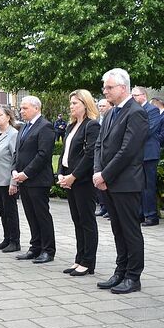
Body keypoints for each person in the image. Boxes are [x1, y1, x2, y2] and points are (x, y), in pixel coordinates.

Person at [94, 68, 148, 294]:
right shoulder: (110, 113)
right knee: (117, 229)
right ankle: (120, 271)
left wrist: (105, 175)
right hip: (107, 181)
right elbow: (100, 145)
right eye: (105, 87)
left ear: (123, 88)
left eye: (109, 87)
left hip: (125, 182)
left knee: (129, 230)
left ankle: (133, 277)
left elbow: (128, 151)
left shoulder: (135, 113)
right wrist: (98, 172)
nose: (105, 91)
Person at [57, 90, 101, 277]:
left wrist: (74, 176)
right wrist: (60, 173)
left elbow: (90, 154)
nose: (71, 106)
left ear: (85, 104)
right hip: (69, 177)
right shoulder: (71, 126)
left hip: (82, 180)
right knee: (77, 220)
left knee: (86, 220)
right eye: (71, 103)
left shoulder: (91, 126)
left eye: (75, 103)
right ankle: (79, 258)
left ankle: (88, 262)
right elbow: (64, 153)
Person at [12, 96, 56, 264]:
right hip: (23, 179)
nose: (21, 111)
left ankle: (48, 250)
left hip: (38, 180)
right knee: (31, 215)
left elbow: (43, 155)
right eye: (21, 108)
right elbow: (18, 151)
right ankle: (35, 247)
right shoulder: (24, 127)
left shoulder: (45, 126)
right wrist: (15, 169)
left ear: (36, 108)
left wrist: (26, 173)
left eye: (25, 108)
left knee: (41, 215)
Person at [0, 106, 21, 252]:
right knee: (2, 211)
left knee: (10, 211)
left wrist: (14, 182)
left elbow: (16, 158)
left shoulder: (13, 134)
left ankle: (15, 240)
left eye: (0, 115)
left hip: (7, 180)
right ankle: (6, 238)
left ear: (8, 117)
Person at [131, 87, 162, 226]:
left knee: (149, 185)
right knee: (139, 185)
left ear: (143, 95)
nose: (133, 98)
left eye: (135, 95)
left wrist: (130, 135)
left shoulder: (152, 110)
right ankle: (141, 213)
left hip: (149, 153)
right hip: (138, 154)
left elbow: (149, 130)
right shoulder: (133, 110)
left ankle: (151, 215)